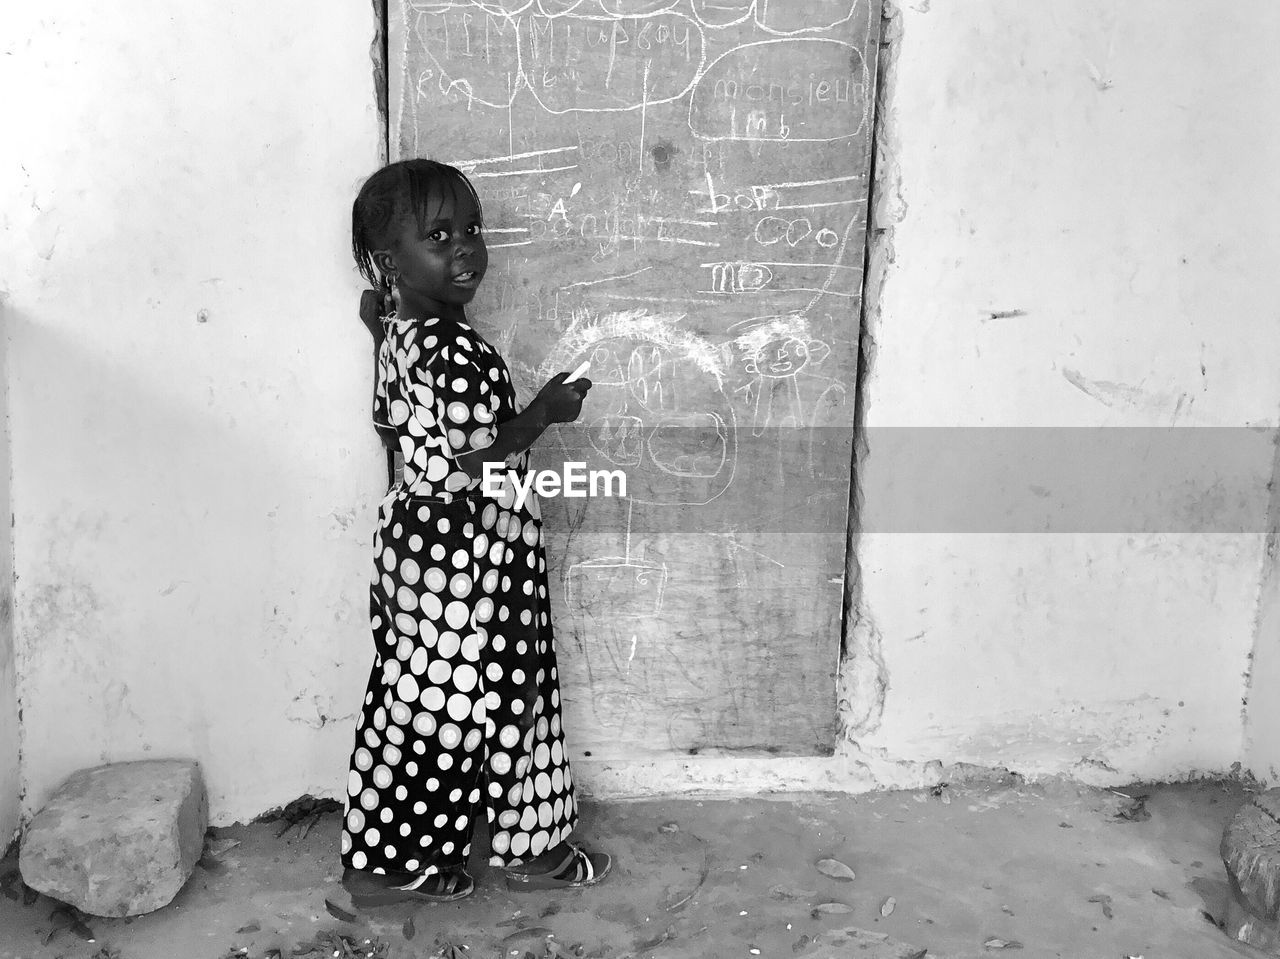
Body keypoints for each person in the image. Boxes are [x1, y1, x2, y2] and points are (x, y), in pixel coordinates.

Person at [340, 158, 611, 906]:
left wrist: (376, 331)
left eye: (471, 230)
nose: (465, 247)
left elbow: (387, 425)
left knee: (425, 700)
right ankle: (520, 851)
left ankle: (402, 859)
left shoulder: (402, 335)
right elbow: (478, 456)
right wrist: (544, 413)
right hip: (474, 549)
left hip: (420, 547)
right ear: (393, 260)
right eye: (440, 235)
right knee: (501, 697)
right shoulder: (454, 353)